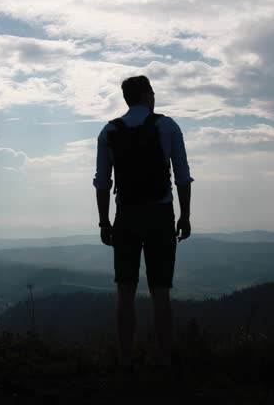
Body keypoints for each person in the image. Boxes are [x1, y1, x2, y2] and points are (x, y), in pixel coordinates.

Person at [94, 75, 193, 371]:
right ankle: (164, 362)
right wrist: (185, 215)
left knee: (125, 292)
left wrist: (103, 221)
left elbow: (102, 182)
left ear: (127, 98)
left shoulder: (109, 131)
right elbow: (182, 176)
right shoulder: (167, 126)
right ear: (148, 95)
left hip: (125, 215)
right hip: (160, 215)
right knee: (160, 292)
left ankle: (125, 362)